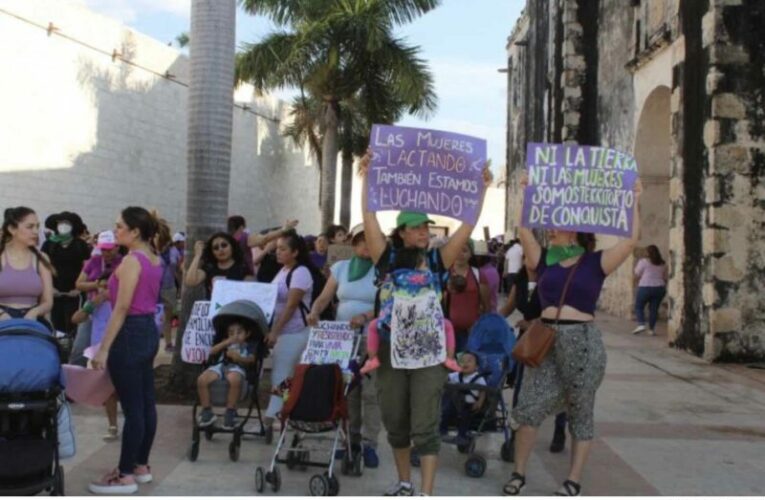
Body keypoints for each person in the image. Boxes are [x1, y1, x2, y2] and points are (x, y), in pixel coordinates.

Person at [360, 150, 493, 497]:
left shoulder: (437, 260)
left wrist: (481, 192)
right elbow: (369, 217)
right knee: (396, 422)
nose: (423, 230)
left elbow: (466, 229)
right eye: (416, 226)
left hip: (428, 352)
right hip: (389, 351)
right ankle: (405, 484)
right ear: (402, 233)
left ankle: (427, 492)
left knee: (425, 425)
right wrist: (367, 179)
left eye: (425, 225)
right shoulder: (386, 258)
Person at [503, 174, 643, 497]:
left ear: (575, 228)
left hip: (582, 342)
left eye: (557, 223)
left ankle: (573, 480)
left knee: (581, 410)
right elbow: (524, 230)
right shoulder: (543, 261)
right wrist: (526, 193)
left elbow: (630, 240)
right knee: (529, 407)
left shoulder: (596, 262)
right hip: (546, 339)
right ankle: (518, 474)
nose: (550, 228)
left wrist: (634, 199)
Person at [89, 207, 163, 495]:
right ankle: (140, 466)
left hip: (130, 332)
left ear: (135, 231)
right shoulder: (154, 258)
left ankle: (125, 475)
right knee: (145, 404)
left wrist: (103, 349)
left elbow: (122, 308)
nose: (115, 229)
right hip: (147, 330)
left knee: (134, 409)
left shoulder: (133, 261)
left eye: (120, 226)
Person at [306, 223, 382, 467]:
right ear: (354, 244)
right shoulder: (341, 268)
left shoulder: (384, 272)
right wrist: (315, 311)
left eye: (371, 241)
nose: (366, 246)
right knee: (347, 391)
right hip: (342, 338)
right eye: (361, 241)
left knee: (370, 394)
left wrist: (366, 317)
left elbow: (388, 305)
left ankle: (370, 444)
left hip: (371, 338)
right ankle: (349, 439)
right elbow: (325, 297)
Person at [499, 257, 567, 457]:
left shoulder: (550, 279)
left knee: (557, 386)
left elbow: (557, 310)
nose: (530, 259)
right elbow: (510, 305)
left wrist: (534, 324)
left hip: (548, 336)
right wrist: (492, 319)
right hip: (526, 340)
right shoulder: (519, 281)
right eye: (526, 256)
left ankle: (559, 429)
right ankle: (514, 434)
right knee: (521, 387)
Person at [359, 251, 462, 374]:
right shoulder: (430, 278)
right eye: (425, 264)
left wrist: (386, 316)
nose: (427, 267)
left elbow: (384, 298)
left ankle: (372, 359)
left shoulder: (391, 278)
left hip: (395, 323)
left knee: (372, 327)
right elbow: (437, 297)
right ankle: (449, 358)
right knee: (448, 327)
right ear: (417, 265)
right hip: (424, 322)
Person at [71, 230, 124, 442]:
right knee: (107, 383)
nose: (107, 253)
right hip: (99, 342)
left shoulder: (124, 267)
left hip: (121, 340)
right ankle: (112, 425)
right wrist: (96, 296)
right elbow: (77, 317)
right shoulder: (94, 263)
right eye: (103, 250)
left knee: (122, 382)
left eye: (110, 249)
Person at [262, 230, 314, 441]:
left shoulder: (301, 272)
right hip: (283, 331)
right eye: (278, 248)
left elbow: (292, 304)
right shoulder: (283, 270)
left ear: (295, 251)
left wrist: (275, 331)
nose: (278, 252)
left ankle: (275, 415)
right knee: (284, 375)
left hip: (295, 331)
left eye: (283, 249)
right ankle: (279, 413)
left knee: (282, 374)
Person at [196, 320, 256, 430]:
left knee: (234, 379)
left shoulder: (248, 345)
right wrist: (226, 343)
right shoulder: (225, 342)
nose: (235, 336)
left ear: (247, 334)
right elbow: (212, 351)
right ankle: (207, 411)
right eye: (231, 333)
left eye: (239, 332)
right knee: (202, 380)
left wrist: (239, 358)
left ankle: (230, 412)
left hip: (237, 367)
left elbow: (252, 359)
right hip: (220, 366)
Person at [0, 207, 54, 326]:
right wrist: (2, 314)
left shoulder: (42, 258)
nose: (35, 231)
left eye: (37, 226)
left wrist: (34, 313)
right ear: (12, 229)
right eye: (30, 227)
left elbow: (47, 301)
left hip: (33, 318)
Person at [42, 211, 91, 335]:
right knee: (56, 324)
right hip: (54, 294)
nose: (63, 225)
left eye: (67, 223)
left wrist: (79, 289)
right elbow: (43, 267)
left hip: (75, 294)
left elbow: (88, 268)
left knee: (74, 325)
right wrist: (49, 288)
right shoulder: (49, 244)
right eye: (61, 223)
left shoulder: (81, 245)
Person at [445, 240, 490, 353]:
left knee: (467, 364)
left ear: (471, 254)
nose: (460, 254)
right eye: (457, 250)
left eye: (464, 250)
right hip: (448, 331)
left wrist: (483, 327)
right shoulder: (445, 274)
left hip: (471, 332)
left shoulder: (478, 274)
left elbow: (486, 305)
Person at [184, 232, 253, 299]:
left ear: (232, 246)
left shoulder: (242, 267)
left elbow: (250, 291)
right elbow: (191, 281)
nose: (220, 249)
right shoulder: (209, 268)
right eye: (216, 248)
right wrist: (197, 255)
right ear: (212, 252)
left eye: (224, 245)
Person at [439, 351, 487, 444]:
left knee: (465, 416)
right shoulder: (456, 375)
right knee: (444, 410)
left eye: (469, 361)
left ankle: (462, 435)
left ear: (476, 366)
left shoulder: (478, 378)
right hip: (455, 404)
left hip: (469, 404)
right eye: (462, 361)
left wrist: (479, 402)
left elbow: (483, 391)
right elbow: (445, 379)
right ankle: (442, 431)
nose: (465, 363)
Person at [154, 218, 181, 352]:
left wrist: (180, 286)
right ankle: (155, 341)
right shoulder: (151, 250)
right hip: (153, 288)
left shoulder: (173, 250)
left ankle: (168, 343)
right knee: (153, 317)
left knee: (168, 317)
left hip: (169, 287)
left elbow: (177, 270)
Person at [631, 245, 667, 336]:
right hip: (659, 288)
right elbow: (665, 277)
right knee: (654, 309)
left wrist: (634, 282)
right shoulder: (663, 263)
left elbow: (637, 274)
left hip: (645, 286)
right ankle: (651, 330)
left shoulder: (643, 262)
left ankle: (641, 324)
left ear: (648, 253)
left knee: (639, 306)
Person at [473, 241, 501, 313]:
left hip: (487, 312)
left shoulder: (489, 272)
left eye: (476, 256)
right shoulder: (486, 269)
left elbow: (481, 294)